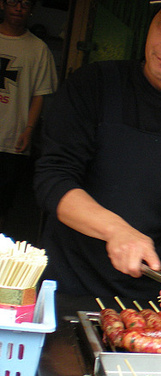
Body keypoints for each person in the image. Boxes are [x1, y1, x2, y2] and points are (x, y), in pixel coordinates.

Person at [34, 0, 161, 314]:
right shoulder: (93, 85)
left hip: (149, 302)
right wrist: (116, 229)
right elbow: (54, 179)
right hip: (65, 287)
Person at [0, 0, 57, 230]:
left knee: (3, 202)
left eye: (25, 3)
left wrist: (28, 130)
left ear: (32, 9)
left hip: (13, 140)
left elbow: (40, 94)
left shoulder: (38, 49)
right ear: (3, 4)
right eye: (14, 2)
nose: (19, 8)